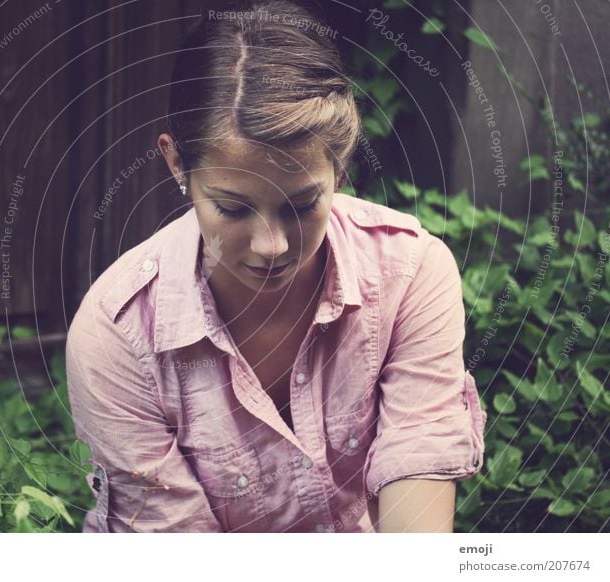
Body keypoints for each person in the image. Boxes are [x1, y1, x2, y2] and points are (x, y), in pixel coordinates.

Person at [65, 0, 486, 533]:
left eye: (303, 203)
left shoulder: (408, 274)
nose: (271, 245)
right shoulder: (118, 335)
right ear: (177, 163)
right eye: (234, 207)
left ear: (341, 158)